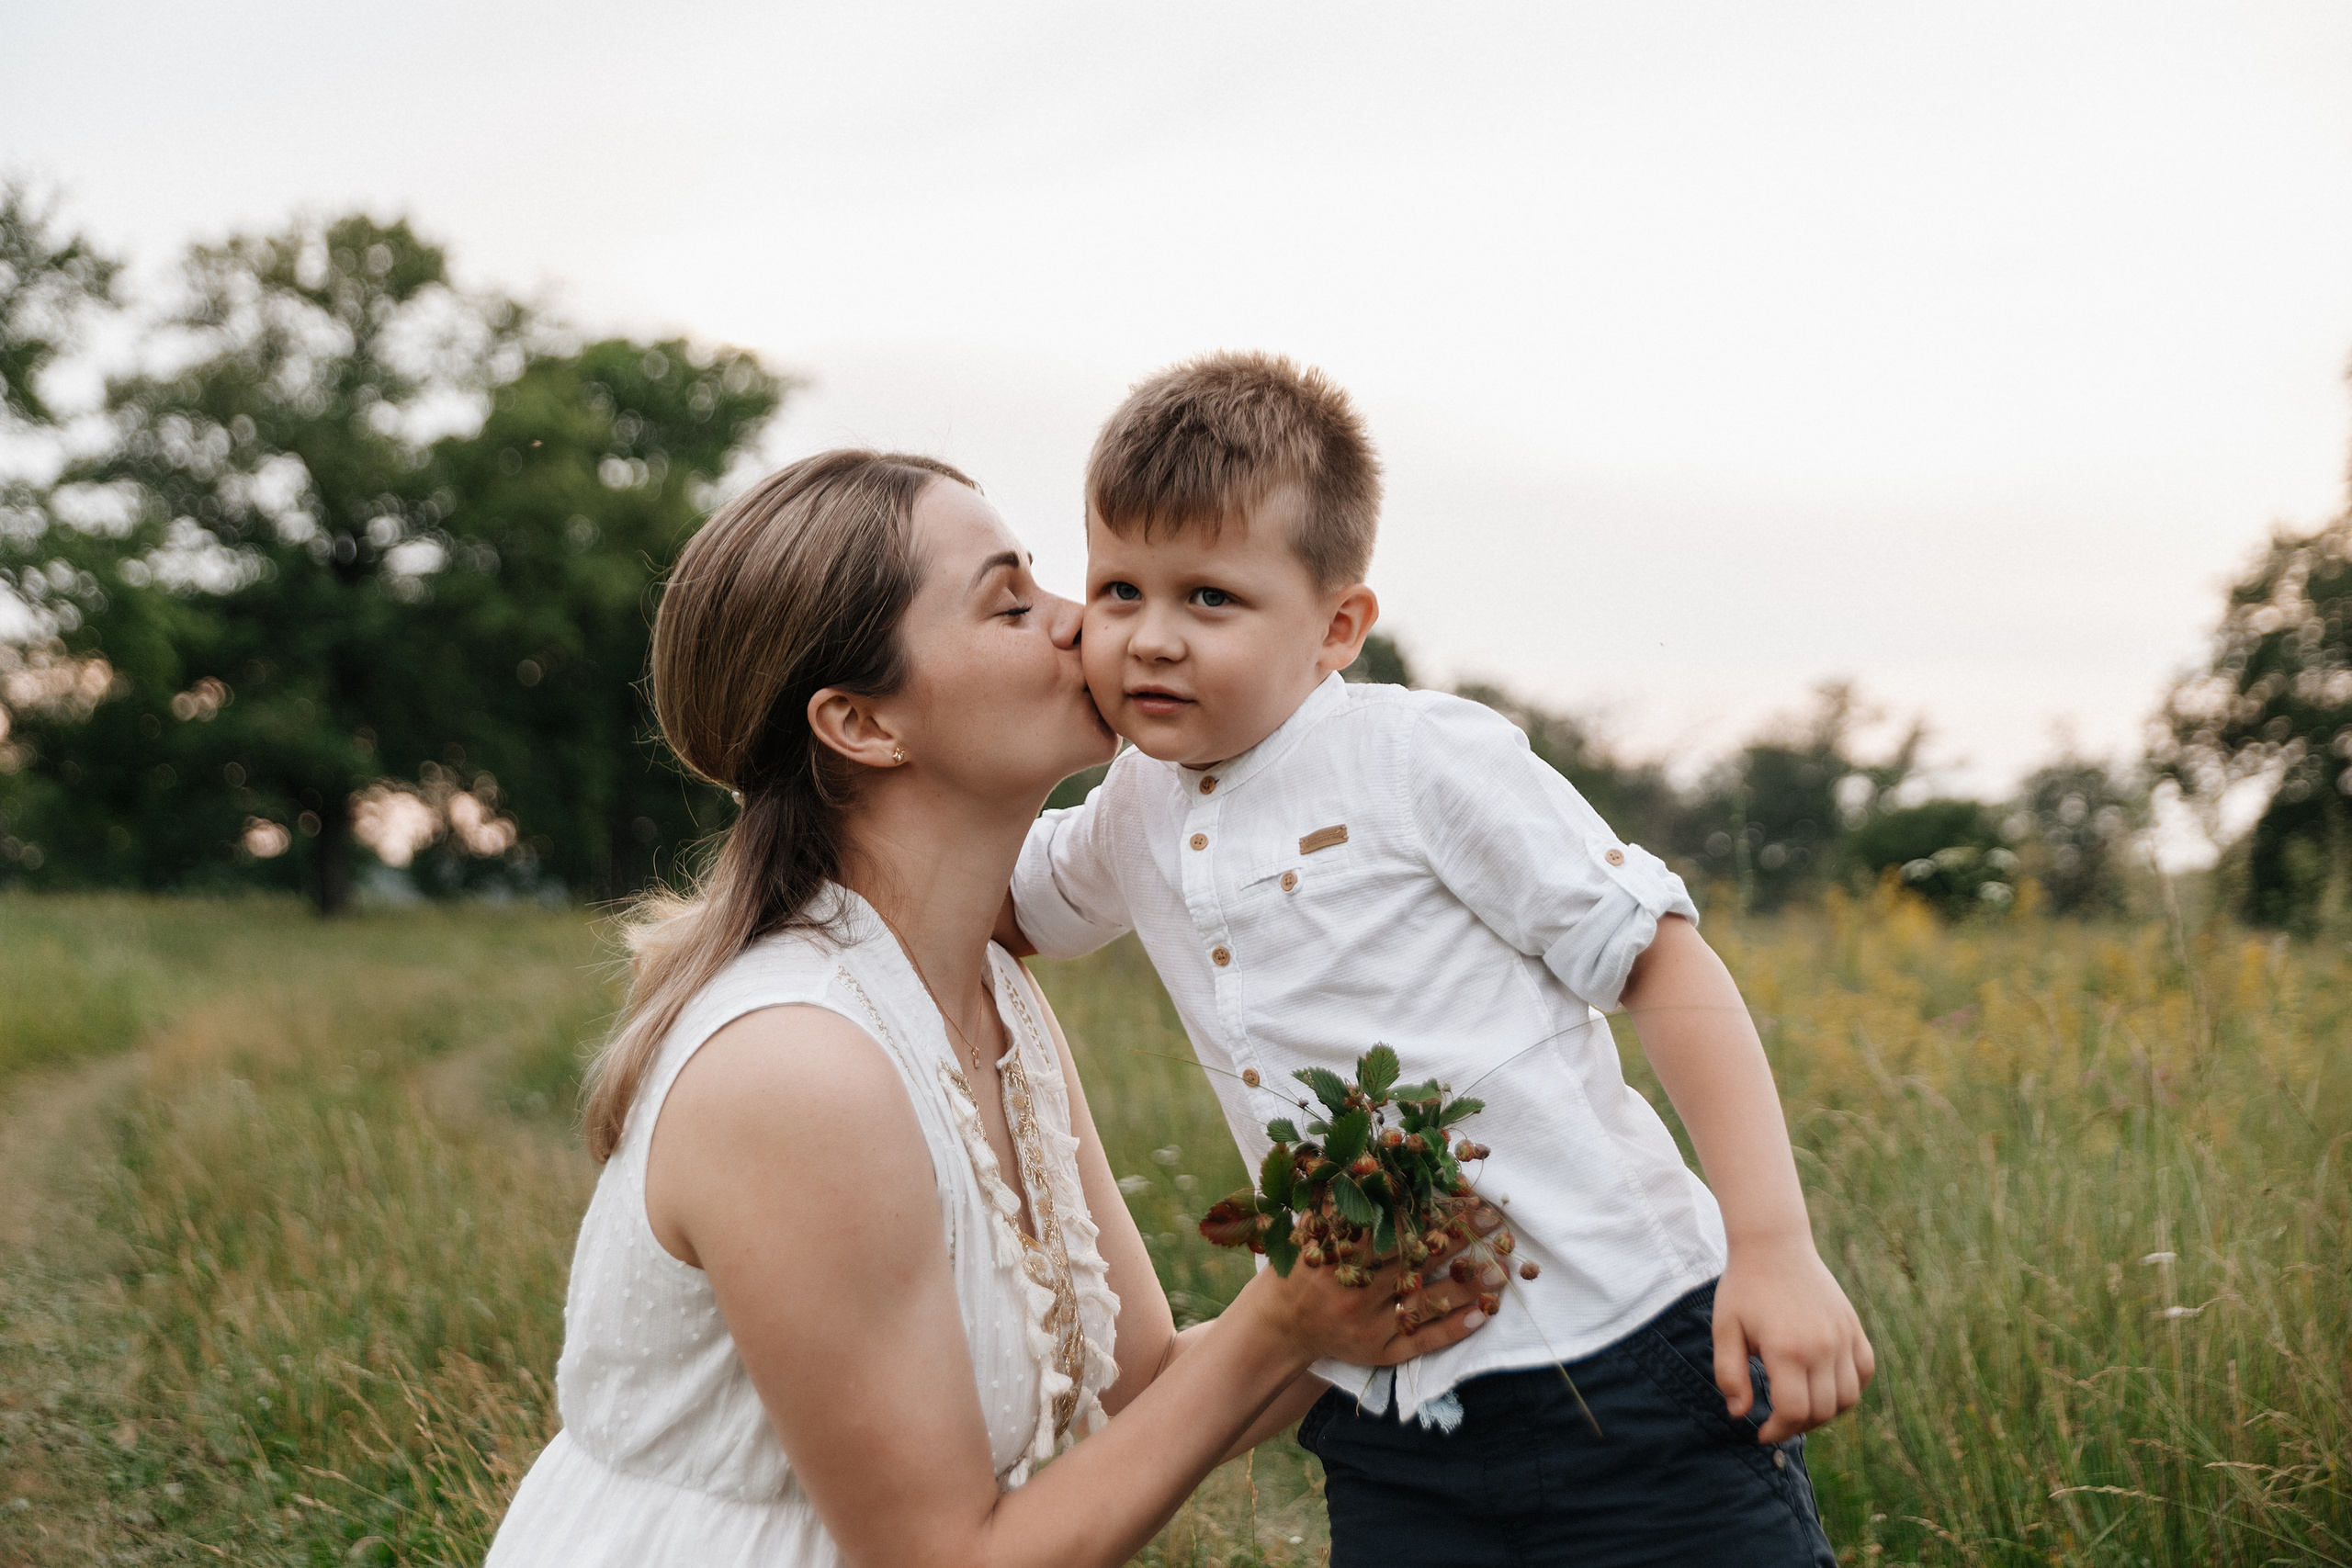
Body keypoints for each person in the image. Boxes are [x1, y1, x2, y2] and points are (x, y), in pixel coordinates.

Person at [483, 450, 1495, 1568]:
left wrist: (1394, 1265)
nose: (1086, 623)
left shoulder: (990, 998)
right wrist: (1282, 1324)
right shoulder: (798, 1065)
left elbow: (1150, 1385)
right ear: (862, 725)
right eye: (1012, 603)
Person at [1004, 354, 1876, 1566]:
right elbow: (996, 904)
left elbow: (1663, 962)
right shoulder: (1133, 804)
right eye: (1117, 589)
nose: (1151, 638)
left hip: (1624, 1362)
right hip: (1386, 1400)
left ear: (1338, 626)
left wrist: (1772, 1248)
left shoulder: (1418, 757)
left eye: (1211, 597)